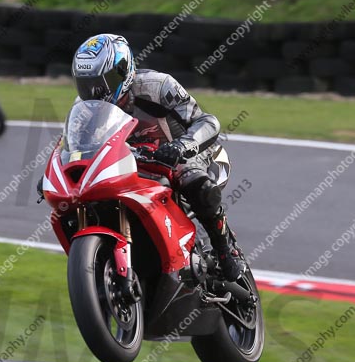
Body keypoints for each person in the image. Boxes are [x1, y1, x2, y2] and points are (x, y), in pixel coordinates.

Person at [66, 34, 244, 281]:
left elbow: (207, 121)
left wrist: (182, 146)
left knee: (195, 182)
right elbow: (75, 146)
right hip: (133, 163)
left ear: (122, 71)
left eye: (100, 83)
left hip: (183, 154)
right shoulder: (84, 107)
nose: (92, 92)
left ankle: (226, 251)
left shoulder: (157, 86)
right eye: (85, 84)